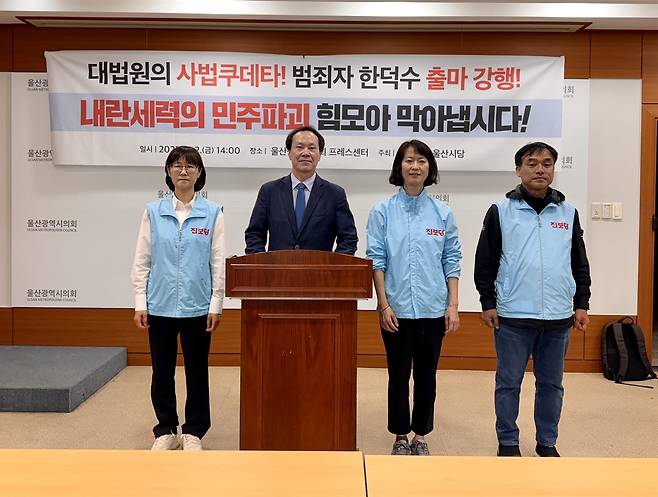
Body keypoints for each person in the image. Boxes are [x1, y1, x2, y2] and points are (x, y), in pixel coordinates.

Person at [474, 142, 591, 458]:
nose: (540, 169)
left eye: (547, 163)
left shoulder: (568, 213)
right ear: (518, 170)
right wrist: (487, 302)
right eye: (532, 163)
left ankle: (547, 442)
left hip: (558, 316)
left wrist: (582, 303)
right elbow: (485, 261)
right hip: (513, 315)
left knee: (551, 385)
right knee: (508, 383)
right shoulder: (501, 211)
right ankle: (508, 442)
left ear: (553, 169)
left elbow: (579, 262)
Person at [366, 139, 461, 456]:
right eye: (409, 160)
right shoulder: (382, 212)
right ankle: (399, 435)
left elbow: (451, 260)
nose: (415, 166)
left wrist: (453, 305)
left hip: (433, 310)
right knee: (397, 376)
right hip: (396, 310)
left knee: (426, 376)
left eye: (421, 160)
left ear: (429, 168)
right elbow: (376, 261)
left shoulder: (442, 213)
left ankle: (420, 434)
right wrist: (383, 305)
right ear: (399, 167)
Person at [131, 146, 225, 451]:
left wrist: (216, 304)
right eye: (177, 165)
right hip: (159, 304)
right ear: (168, 172)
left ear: (200, 173)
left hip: (198, 306)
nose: (183, 171)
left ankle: (194, 430)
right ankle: (166, 429)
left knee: (197, 370)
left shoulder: (212, 212)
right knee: (162, 370)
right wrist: (140, 302)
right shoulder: (153, 211)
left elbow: (218, 262)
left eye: (190, 166)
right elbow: (142, 259)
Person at [244, 126, 358, 255]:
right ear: (289, 153)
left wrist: (334, 265)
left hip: (320, 267)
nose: (305, 153)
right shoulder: (269, 191)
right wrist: (261, 264)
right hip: (277, 267)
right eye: (299, 147)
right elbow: (254, 235)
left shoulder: (335, 194)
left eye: (312, 148)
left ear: (320, 154)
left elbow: (348, 239)